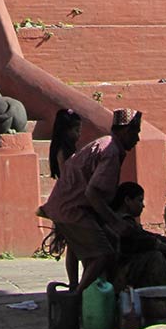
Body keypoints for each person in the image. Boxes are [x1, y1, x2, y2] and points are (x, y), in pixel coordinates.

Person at [38, 108, 143, 295]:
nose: (138, 139)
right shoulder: (110, 151)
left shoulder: (104, 144)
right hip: (73, 209)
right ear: (126, 131)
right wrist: (115, 221)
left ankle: (87, 294)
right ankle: (76, 297)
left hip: (68, 207)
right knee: (103, 254)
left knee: (93, 250)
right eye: (136, 133)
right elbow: (93, 193)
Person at [111, 181, 166, 290]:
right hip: (121, 273)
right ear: (127, 200)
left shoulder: (124, 221)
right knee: (155, 257)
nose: (143, 205)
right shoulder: (123, 224)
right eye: (140, 200)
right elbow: (150, 242)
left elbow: (150, 237)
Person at [46, 108, 83, 288]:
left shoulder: (60, 149)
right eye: (76, 130)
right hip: (70, 200)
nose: (79, 134)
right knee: (76, 246)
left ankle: (75, 283)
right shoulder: (65, 152)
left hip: (65, 198)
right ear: (66, 130)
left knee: (74, 248)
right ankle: (76, 283)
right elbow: (70, 176)